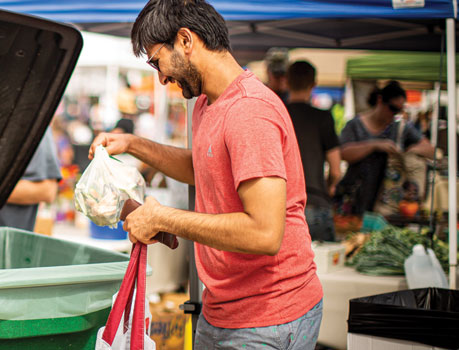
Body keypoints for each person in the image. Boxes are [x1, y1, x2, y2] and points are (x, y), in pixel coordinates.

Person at [90, 0, 323, 347]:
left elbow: (264, 233)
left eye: (158, 62)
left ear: (186, 40)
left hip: (268, 317)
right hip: (223, 310)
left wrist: (164, 218)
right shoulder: (206, 103)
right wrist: (133, 144)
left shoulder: (249, 112)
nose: (162, 77)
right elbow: (204, 167)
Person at [334, 81, 435, 215]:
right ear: (380, 100)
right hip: (354, 199)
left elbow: (430, 150)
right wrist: (375, 145)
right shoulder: (354, 125)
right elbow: (343, 153)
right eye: (392, 108)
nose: (394, 114)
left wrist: (407, 153)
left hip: (386, 205)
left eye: (399, 111)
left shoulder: (400, 128)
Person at [285, 61, 341, 242]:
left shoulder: (277, 113)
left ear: (287, 82)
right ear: (313, 84)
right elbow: (336, 170)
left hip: (283, 207)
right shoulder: (323, 118)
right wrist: (329, 185)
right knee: (324, 269)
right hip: (316, 202)